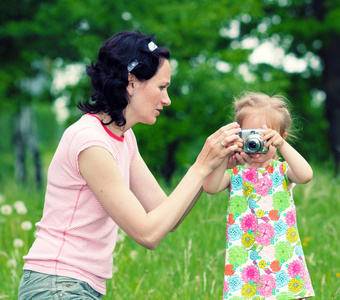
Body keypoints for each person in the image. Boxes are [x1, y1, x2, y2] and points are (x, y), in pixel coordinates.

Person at [17, 31, 246, 299]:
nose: (167, 99)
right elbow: (147, 234)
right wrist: (199, 165)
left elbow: (166, 217)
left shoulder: (124, 137)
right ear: (132, 82)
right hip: (57, 284)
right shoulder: (90, 142)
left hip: (74, 286)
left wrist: (212, 167)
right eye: (162, 87)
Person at [203, 92, 315, 299]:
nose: (256, 142)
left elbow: (306, 175)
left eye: (264, 136)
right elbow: (210, 187)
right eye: (250, 135)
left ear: (281, 137)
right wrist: (225, 157)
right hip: (246, 260)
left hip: (283, 255)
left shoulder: (282, 171)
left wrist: (282, 145)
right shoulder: (235, 173)